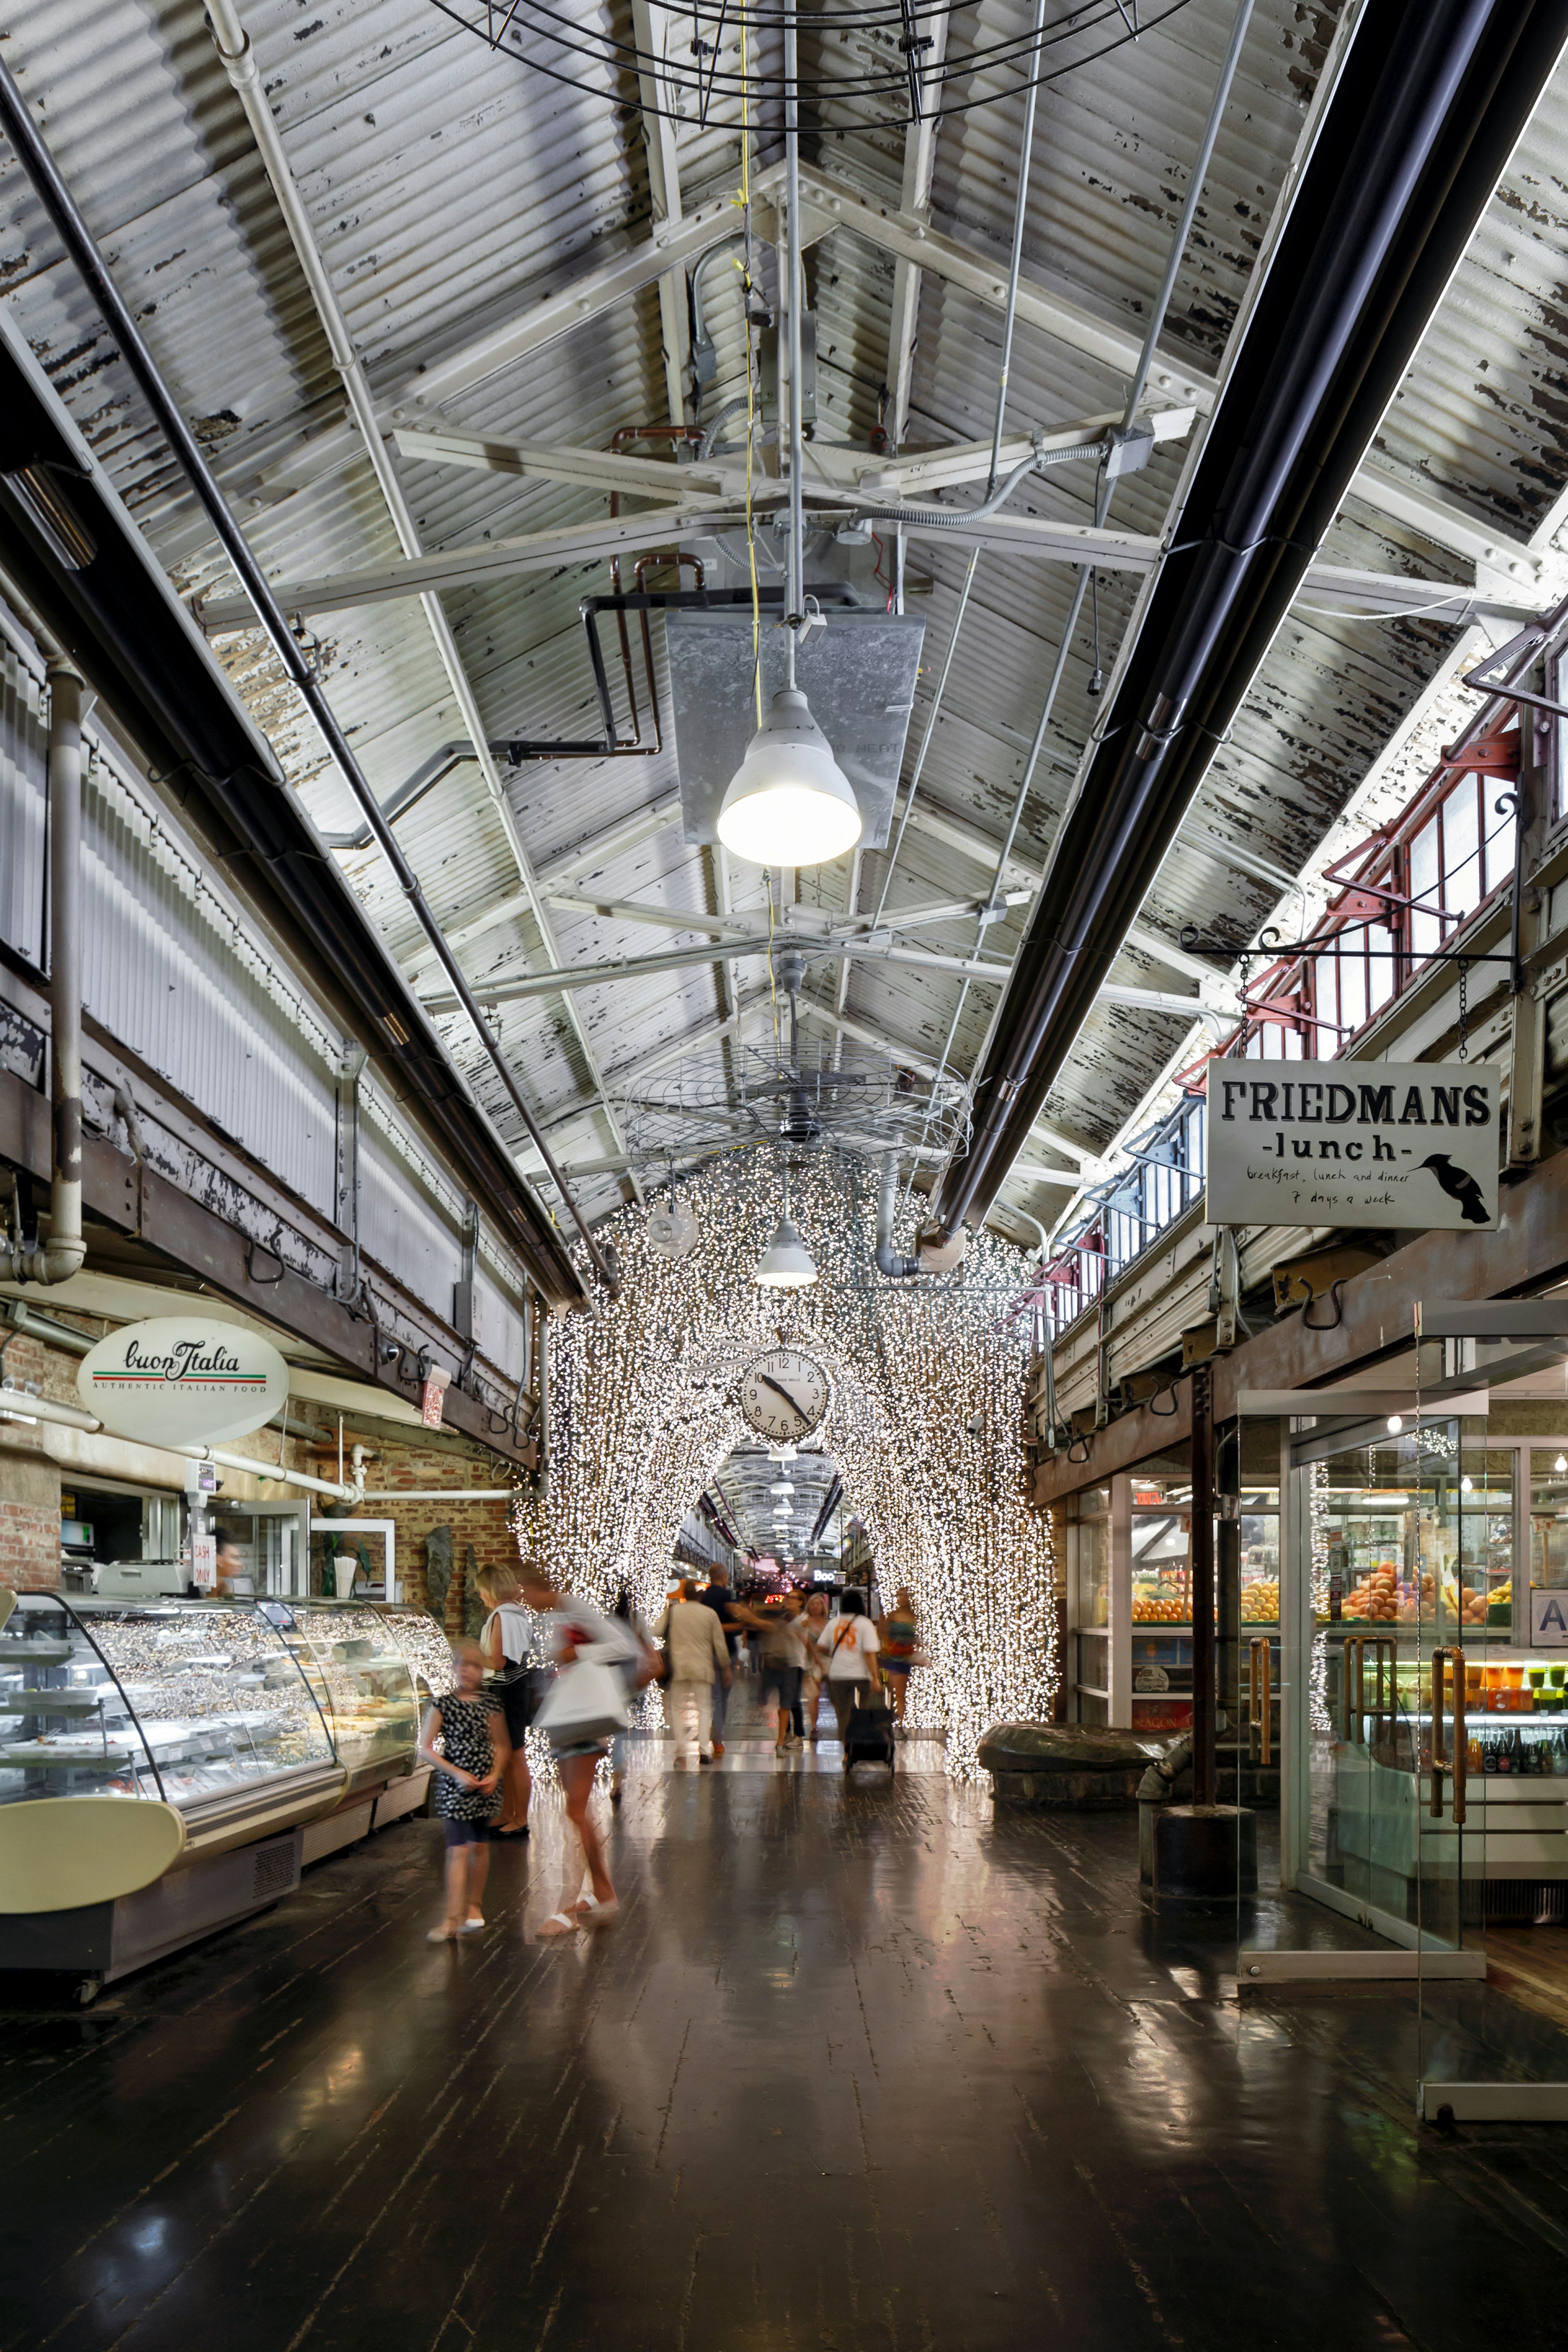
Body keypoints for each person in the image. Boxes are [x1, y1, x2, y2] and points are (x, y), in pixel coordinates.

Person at [519, 1562, 633, 1938]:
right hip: (569, 1720)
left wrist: (577, 1655)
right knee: (576, 1811)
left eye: (525, 1591)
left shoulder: (573, 1607)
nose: (525, 1599)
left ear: (538, 1587)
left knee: (575, 1811)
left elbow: (622, 1646)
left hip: (584, 1719)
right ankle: (602, 1891)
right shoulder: (554, 1615)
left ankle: (568, 1905)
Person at [416, 1637, 508, 1942]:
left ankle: (474, 1906)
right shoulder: (442, 1705)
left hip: (485, 1786)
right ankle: (451, 1919)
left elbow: (502, 1744)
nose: (467, 1671)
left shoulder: (491, 1704)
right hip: (455, 1787)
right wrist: (456, 1773)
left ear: (482, 1670)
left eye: (474, 1665)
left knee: (480, 1847)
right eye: (462, 1665)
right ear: (454, 1668)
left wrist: (495, 1773)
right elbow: (426, 1748)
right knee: (458, 1849)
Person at [476, 1563, 540, 1835]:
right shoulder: (519, 1612)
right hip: (518, 1688)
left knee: (514, 1755)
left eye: (481, 1591)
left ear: (490, 1589)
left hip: (506, 1692)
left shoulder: (502, 1616)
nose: (480, 1597)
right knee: (508, 1754)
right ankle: (508, 1813)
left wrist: (470, 1655)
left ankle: (520, 1819)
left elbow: (498, 1662)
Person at [656, 1578, 731, 1765]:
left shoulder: (673, 1612)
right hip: (702, 1667)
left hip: (679, 1666)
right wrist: (726, 1666)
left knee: (677, 1708)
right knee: (705, 1708)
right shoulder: (709, 1613)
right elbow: (719, 1644)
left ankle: (681, 1751)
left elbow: (656, 1630)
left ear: (683, 1595)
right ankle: (704, 1750)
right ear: (700, 1596)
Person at [697, 1563, 761, 1758]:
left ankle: (714, 1732)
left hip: (706, 1651)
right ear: (724, 1577)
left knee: (713, 1695)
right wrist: (742, 1625)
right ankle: (717, 1738)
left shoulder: (703, 1598)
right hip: (726, 1650)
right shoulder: (727, 1597)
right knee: (722, 1696)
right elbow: (735, 1623)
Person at [608, 1586, 657, 1802]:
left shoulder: (605, 1620)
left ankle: (616, 1779)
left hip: (611, 1678)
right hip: (633, 1678)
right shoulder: (637, 1619)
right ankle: (619, 1775)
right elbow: (648, 1647)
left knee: (617, 1731)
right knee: (623, 1731)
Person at [816, 1588, 882, 1743]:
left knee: (842, 1715)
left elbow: (821, 1647)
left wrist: (836, 1652)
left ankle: (846, 1751)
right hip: (861, 1677)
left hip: (837, 1676)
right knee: (859, 1714)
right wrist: (875, 1678)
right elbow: (870, 1653)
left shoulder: (834, 1623)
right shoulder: (865, 1624)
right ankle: (856, 1746)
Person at [758, 1595, 808, 1753]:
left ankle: (798, 1736)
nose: (790, 1601)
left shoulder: (803, 1619)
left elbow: (808, 1640)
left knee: (794, 1702)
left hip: (798, 1663)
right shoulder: (783, 1619)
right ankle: (786, 1734)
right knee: (785, 1703)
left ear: (801, 1601)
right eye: (788, 1599)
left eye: (794, 1598)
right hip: (783, 1664)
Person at [878, 1584, 922, 1726]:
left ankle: (899, 1721)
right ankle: (898, 1722)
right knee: (897, 1693)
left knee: (900, 1694)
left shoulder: (914, 1617)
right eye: (899, 1595)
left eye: (904, 1595)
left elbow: (916, 1638)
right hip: (896, 1659)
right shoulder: (893, 1616)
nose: (902, 1598)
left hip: (907, 1658)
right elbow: (884, 1635)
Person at [799, 1589, 831, 1740]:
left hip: (827, 1662)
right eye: (813, 1604)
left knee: (833, 1694)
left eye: (819, 1604)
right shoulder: (805, 1622)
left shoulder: (829, 1624)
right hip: (810, 1662)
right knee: (814, 1695)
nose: (816, 1607)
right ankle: (814, 1726)